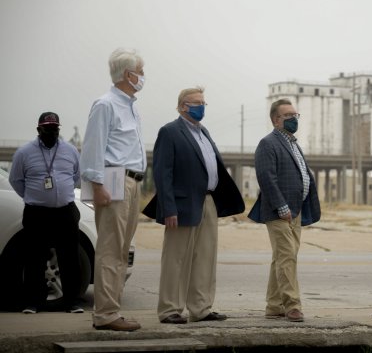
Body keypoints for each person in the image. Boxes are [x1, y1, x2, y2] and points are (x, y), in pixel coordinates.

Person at [142, 87, 244, 324]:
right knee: (176, 258)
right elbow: (162, 173)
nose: (201, 106)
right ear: (182, 106)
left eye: (203, 103)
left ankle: (201, 308)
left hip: (208, 201)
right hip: (181, 205)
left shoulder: (204, 132)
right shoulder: (170, 132)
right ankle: (170, 310)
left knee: (205, 257)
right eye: (196, 102)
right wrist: (168, 208)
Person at [80, 48, 146, 332]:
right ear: (128, 74)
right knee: (110, 249)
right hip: (113, 179)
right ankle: (105, 315)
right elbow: (93, 148)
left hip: (133, 182)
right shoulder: (105, 104)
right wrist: (97, 186)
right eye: (141, 71)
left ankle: (112, 310)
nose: (143, 76)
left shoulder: (130, 105)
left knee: (121, 250)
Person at [248, 98, 321, 323]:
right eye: (288, 116)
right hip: (280, 211)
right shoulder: (268, 144)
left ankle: (274, 304)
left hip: (295, 210)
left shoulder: (293, 144)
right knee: (287, 256)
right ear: (276, 119)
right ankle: (292, 305)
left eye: (295, 115)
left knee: (282, 257)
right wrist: (282, 206)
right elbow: (267, 178)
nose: (293, 119)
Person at [9, 112, 84, 314]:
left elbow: (77, 177)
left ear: (59, 129)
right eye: (47, 129)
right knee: (34, 258)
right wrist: (35, 197)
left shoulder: (70, 151)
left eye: (55, 129)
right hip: (37, 213)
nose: (51, 132)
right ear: (38, 130)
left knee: (70, 258)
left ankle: (72, 302)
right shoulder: (24, 153)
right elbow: (15, 181)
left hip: (66, 212)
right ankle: (34, 302)